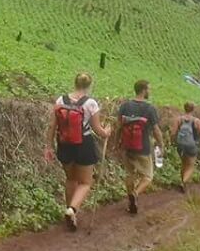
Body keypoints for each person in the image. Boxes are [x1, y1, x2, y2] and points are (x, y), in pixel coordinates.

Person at [45, 73, 110, 231]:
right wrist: (107, 131)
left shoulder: (61, 101)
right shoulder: (91, 103)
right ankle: (72, 209)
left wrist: (49, 146)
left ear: (74, 83)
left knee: (71, 179)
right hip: (83, 145)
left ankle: (70, 211)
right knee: (85, 182)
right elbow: (98, 130)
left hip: (64, 144)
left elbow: (52, 126)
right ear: (89, 86)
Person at [115, 79, 164, 215]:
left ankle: (131, 200)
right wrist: (161, 144)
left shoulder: (125, 106)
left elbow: (119, 127)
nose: (150, 91)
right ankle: (135, 193)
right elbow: (156, 130)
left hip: (127, 147)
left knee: (129, 174)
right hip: (143, 148)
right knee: (148, 176)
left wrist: (116, 143)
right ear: (144, 90)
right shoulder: (150, 108)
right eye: (149, 89)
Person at [170, 102, 200, 193]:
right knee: (190, 166)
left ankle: (183, 181)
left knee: (184, 163)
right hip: (191, 145)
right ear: (193, 109)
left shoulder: (179, 119)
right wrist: (199, 143)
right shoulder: (196, 121)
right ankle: (184, 182)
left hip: (180, 144)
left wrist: (173, 142)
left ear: (184, 108)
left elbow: (173, 133)